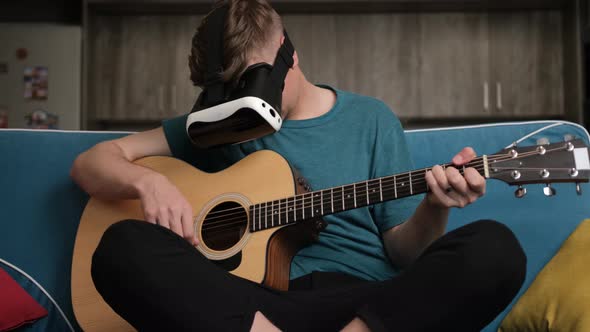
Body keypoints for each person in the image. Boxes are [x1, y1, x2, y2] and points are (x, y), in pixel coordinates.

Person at [70, 0, 526, 331]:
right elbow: (92, 164)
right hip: (251, 310)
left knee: (495, 249)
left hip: (366, 306)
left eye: (251, 90)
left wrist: (435, 205)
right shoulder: (216, 128)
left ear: (289, 58)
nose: (240, 111)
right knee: (120, 247)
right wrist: (148, 183)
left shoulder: (370, 119)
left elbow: (404, 255)